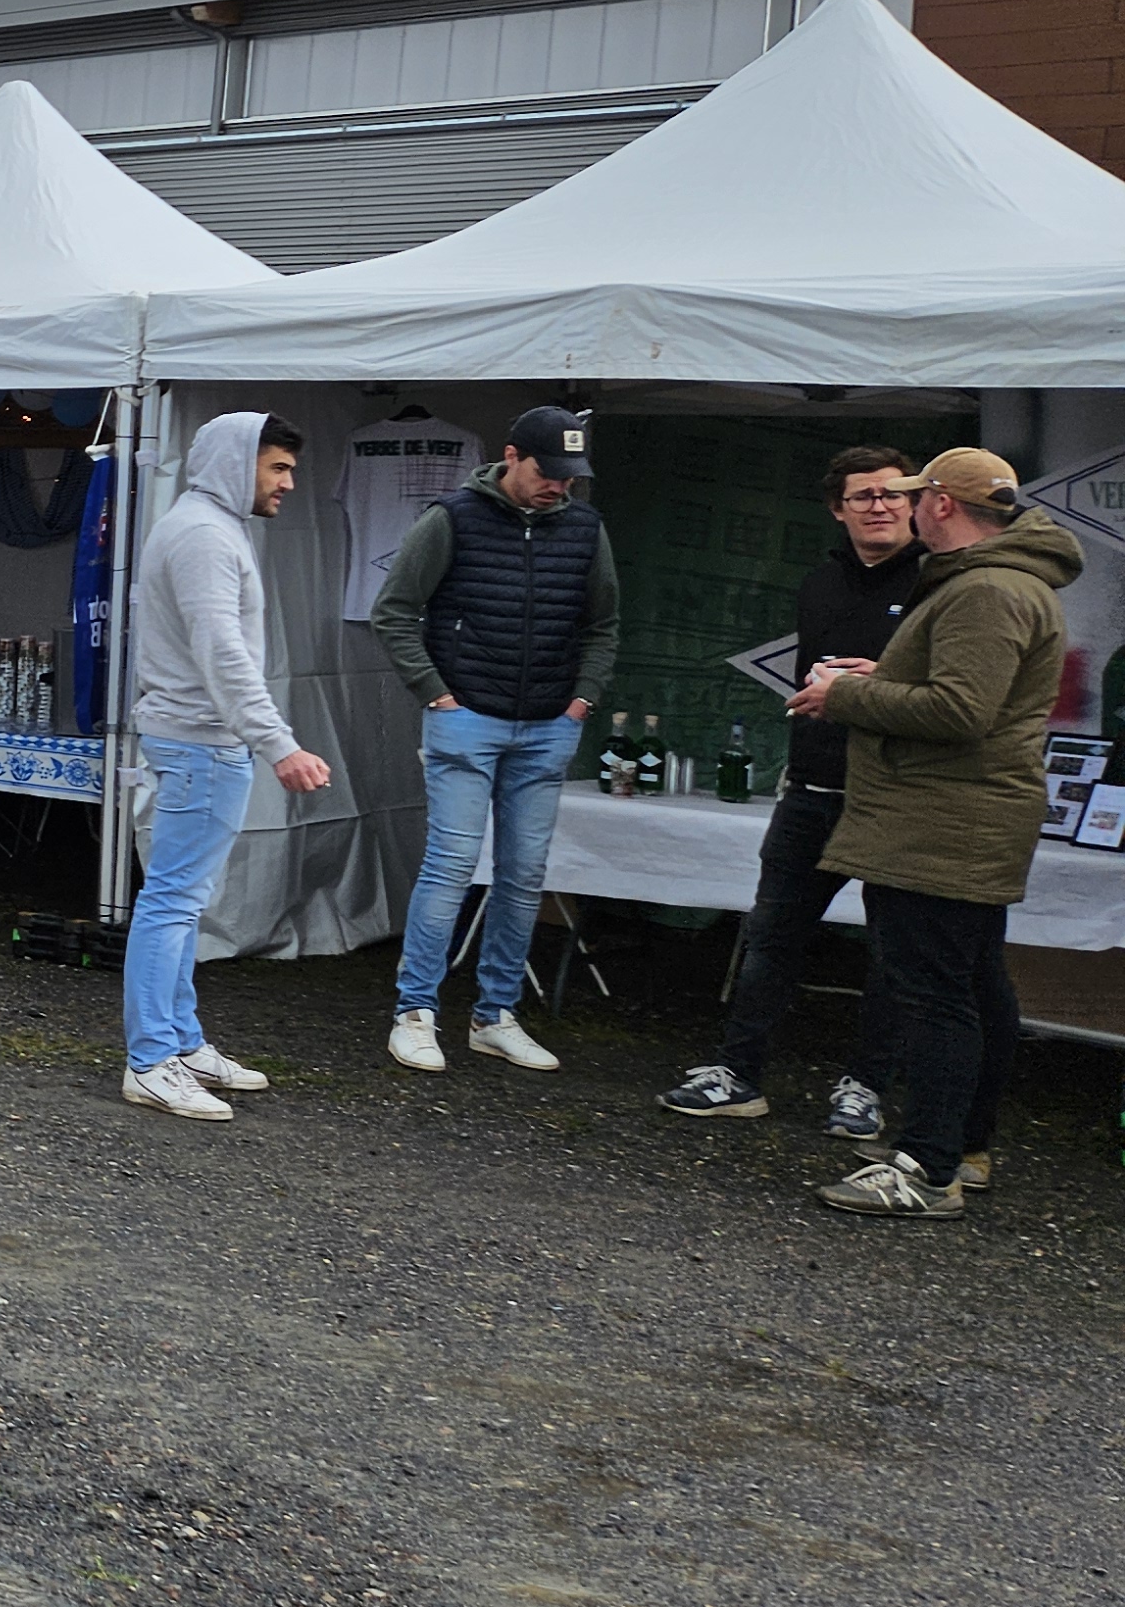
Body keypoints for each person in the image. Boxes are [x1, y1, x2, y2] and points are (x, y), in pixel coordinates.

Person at [802, 450, 1080, 1217]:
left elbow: (959, 711)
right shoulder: (1000, 580)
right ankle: (961, 1148)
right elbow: (967, 694)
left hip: (943, 821)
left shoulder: (986, 588)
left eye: (914, 496)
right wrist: (883, 679)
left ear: (943, 505)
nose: (904, 508)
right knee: (976, 988)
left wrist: (847, 695)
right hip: (960, 817)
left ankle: (928, 1169)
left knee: (935, 999)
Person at [659, 448, 924, 1127]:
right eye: (863, 496)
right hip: (811, 789)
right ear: (838, 510)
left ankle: (865, 1088)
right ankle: (739, 1074)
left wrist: (879, 682)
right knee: (772, 937)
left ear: (917, 503)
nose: (880, 506)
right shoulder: (820, 584)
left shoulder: (940, 585)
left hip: (896, 796)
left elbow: (949, 693)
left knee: (893, 954)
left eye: (894, 493)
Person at [364, 403, 619, 1075]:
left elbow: (603, 624)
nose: (559, 485)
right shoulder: (451, 517)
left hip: (548, 723)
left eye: (569, 475)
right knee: (451, 866)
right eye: (547, 471)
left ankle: (494, 1015)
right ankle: (415, 1013)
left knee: (525, 875)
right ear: (511, 457)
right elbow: (394, 611)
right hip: (467, 718)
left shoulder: (586, 529)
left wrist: (582, 700)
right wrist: (436, 694)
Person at [118, 412, 328, 1119]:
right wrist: (279, 743)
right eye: (278, 468)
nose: (288, 483)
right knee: (173, 901)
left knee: (180, 898)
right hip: (201, 742)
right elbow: (222, 651)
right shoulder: (205, 534)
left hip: (200, 739)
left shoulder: (204, 525)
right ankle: (152, 1059)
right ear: (238, 463)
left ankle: (177, 1044)